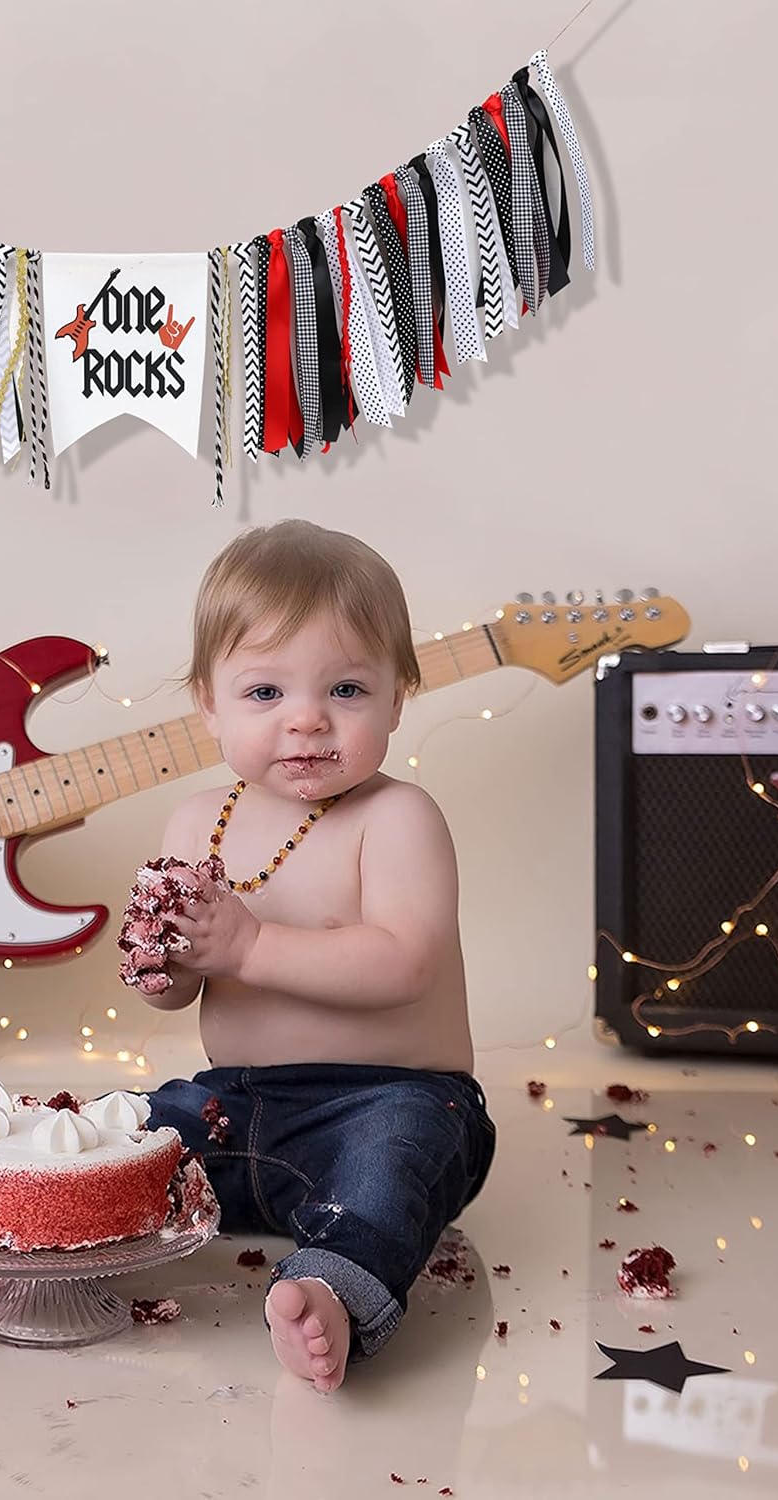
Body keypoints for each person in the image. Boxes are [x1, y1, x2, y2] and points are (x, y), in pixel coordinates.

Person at [138, 518, 496, 1394]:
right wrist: (167, 967)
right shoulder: (195, 823)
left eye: (346, 688)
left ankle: (332, 1291)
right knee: (123, 1140)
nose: (306, 720)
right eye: (264, 692)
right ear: (208, 704)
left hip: (391, 1098)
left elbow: (404, 964)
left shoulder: (397, 817)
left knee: (390, 1165)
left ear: (398, 698)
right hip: (237, 1106)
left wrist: (250, 944)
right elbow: (175, 994)